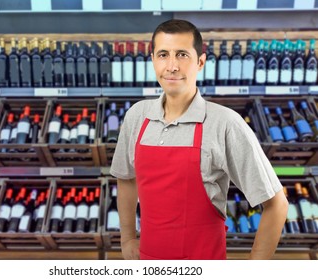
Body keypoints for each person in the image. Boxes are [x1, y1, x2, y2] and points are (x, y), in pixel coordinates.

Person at [109, 19, 288, 260]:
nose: (172, 66)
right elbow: (126, 179)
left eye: (182, 55)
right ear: (153, 60)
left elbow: (277, 205)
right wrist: (128, 237)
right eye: (163, 54)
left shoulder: (224, 123)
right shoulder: (137, 116)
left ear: (200, 62)